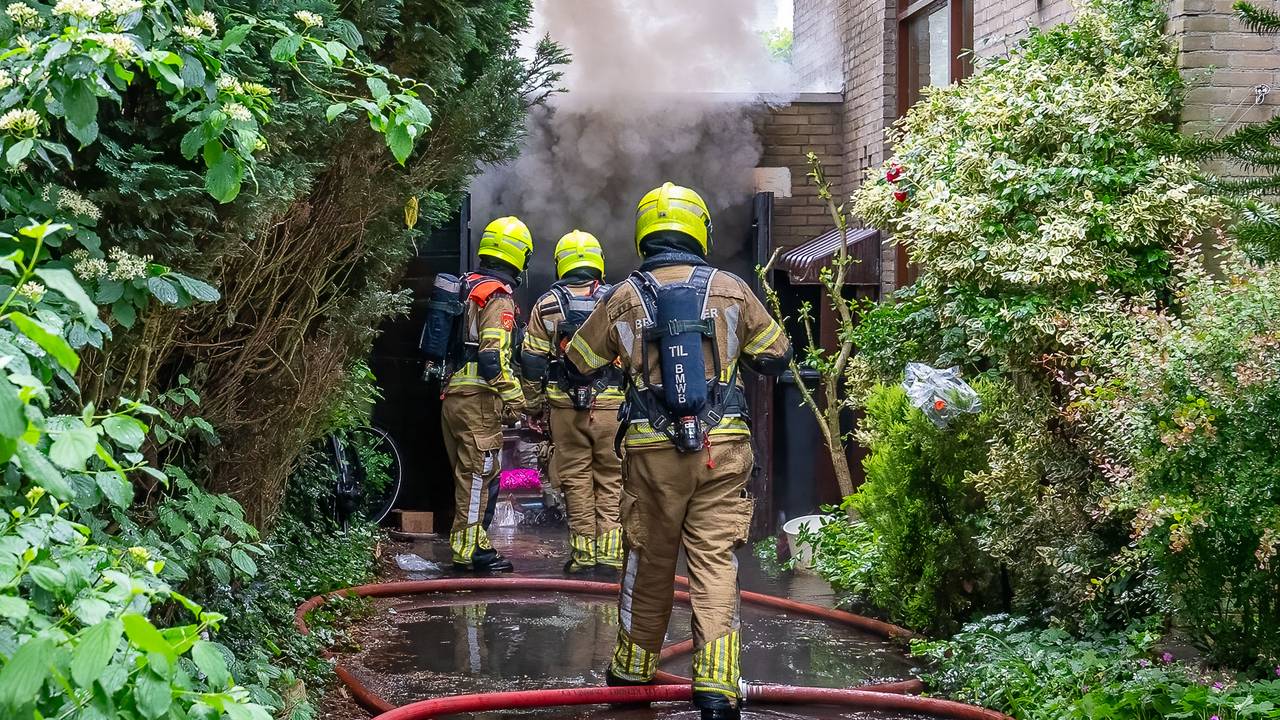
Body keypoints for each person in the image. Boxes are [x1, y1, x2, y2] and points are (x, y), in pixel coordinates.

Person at [565, 183, 792, 720]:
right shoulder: (732, 289)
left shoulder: (623, 295)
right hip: (722, 449)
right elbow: (777, 356)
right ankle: (716, 689)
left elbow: (577, 363)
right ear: (699, 230)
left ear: (644, 234)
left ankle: (631, 672)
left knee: (647, 562)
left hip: (650, 455)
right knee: (715, 564)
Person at [520, 230, 625, 575]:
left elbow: (533, 362)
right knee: (611, 477)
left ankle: (583, 557)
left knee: (576, 479)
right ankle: (610, 556)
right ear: (598, 263)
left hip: (565, 407)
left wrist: (534, 407)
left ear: (560, 264)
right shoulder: (616, 300)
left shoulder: (547, 304)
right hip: (610, 405)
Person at [441, 216, 531, 573]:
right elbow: (492, 356)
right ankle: (469, 550)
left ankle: (474, 541)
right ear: (517, 255)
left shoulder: (466, 287)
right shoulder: (496, 297)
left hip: (453, 396)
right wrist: (517, 399)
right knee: (478, 475)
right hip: (478, 400)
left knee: (471, 475)